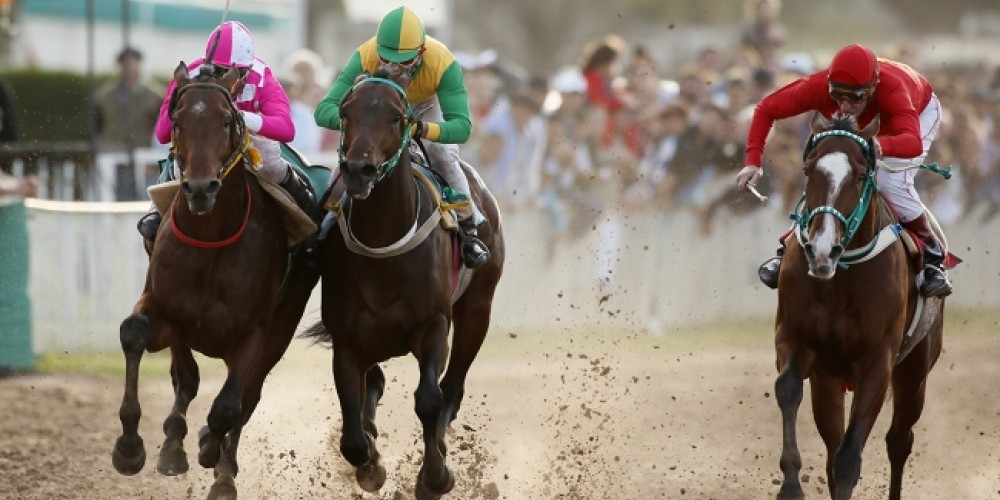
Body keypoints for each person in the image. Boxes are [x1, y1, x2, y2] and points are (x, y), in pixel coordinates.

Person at [735, 43, 953, 297]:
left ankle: (932, 257)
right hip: (876, 115)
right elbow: (766, 109)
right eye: (837, 94)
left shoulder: (892, 89)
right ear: (828, 85)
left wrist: (881, 145)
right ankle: (787, 248)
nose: (845, 105)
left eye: (856, 96)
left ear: (872, 88)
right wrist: (752, 161)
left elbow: (912, 142)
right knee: (827, 176)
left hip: (919, 110)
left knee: (888, 181)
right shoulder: (817, 87)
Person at [314, 5, 490, 268]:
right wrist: (362, 122)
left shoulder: (443, 62)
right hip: (378, 114)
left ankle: (469, 227)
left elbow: (462, 127)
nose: (394, 66)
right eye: (386, 59)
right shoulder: (365, 55)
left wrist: (420, 129)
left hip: (426, 110)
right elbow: (323, 111)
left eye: (404, 61)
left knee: (442, 153)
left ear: (421, 51)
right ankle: (323, 226)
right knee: (349, 162)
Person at [137, 20, 315, 241]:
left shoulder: (262, 77)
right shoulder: (189, 76)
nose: (224, 78)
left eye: (232, 72)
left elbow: (286, 129)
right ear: (208, 63)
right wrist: (180, 102)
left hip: (251, 143)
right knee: (177, 161)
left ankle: (306, 214)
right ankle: (156, 212)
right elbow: (163, 134)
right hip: (206, 141)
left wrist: (239, 116)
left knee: (270, 161)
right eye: (218, 70)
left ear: (247, 69)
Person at [94, 46, 163, 200]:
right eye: (125, 63)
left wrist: (154, 159)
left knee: (144, 204)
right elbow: (96, 126)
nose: (129, 68)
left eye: (133, 62)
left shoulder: (154, 96)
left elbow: (161, 131)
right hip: (111, 157)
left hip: (143, 160)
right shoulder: (104, 96)